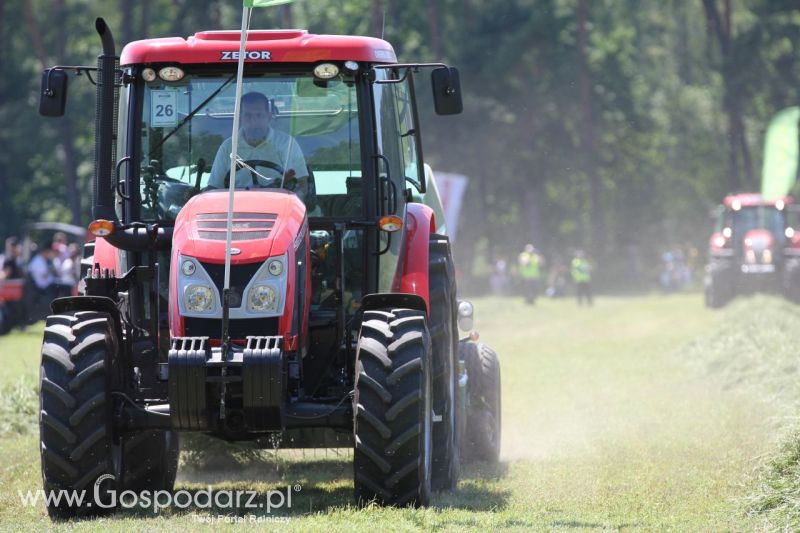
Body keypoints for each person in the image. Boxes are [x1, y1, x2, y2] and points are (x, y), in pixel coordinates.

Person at [207, 92, 310, 202]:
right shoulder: (228, 147)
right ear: (239, 118)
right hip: (236, 211)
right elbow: (215, 187)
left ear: (269, 117)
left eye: (259, 115)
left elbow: (302, 185)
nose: (254, 121)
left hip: (278, 208)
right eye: (248, 115)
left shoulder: (286, 144)